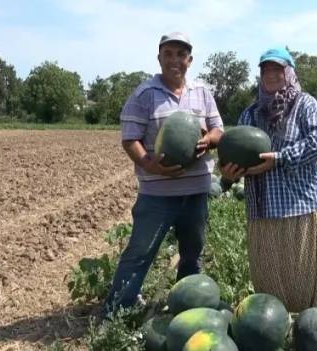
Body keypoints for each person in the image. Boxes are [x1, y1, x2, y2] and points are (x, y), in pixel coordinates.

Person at [103, 32, 224, 315]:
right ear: (159, 57)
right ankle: (117, 310)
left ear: (189, 60)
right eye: (168, 54)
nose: (175, 60)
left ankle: (188, 306)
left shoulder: (202, 93)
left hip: (196, 192)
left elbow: (219, 129)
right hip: (157, 193)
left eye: (181, 55)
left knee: (192, 253)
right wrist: (149, 163)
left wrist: (210, 140)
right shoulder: (144, 95)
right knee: (139, 253)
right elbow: (129, 138)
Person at [220, 47, 317, 312]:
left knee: (307, 281)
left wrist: (280, 158)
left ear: (289, 72)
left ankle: (312, 330)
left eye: (277, 69)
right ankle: (276, 330)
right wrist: (229, 174)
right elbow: (236, 151)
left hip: (300, 208)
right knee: (270, 282)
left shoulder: (306, 104)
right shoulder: (250, 114)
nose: (271, 75)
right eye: (265, 70)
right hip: (262, 210)